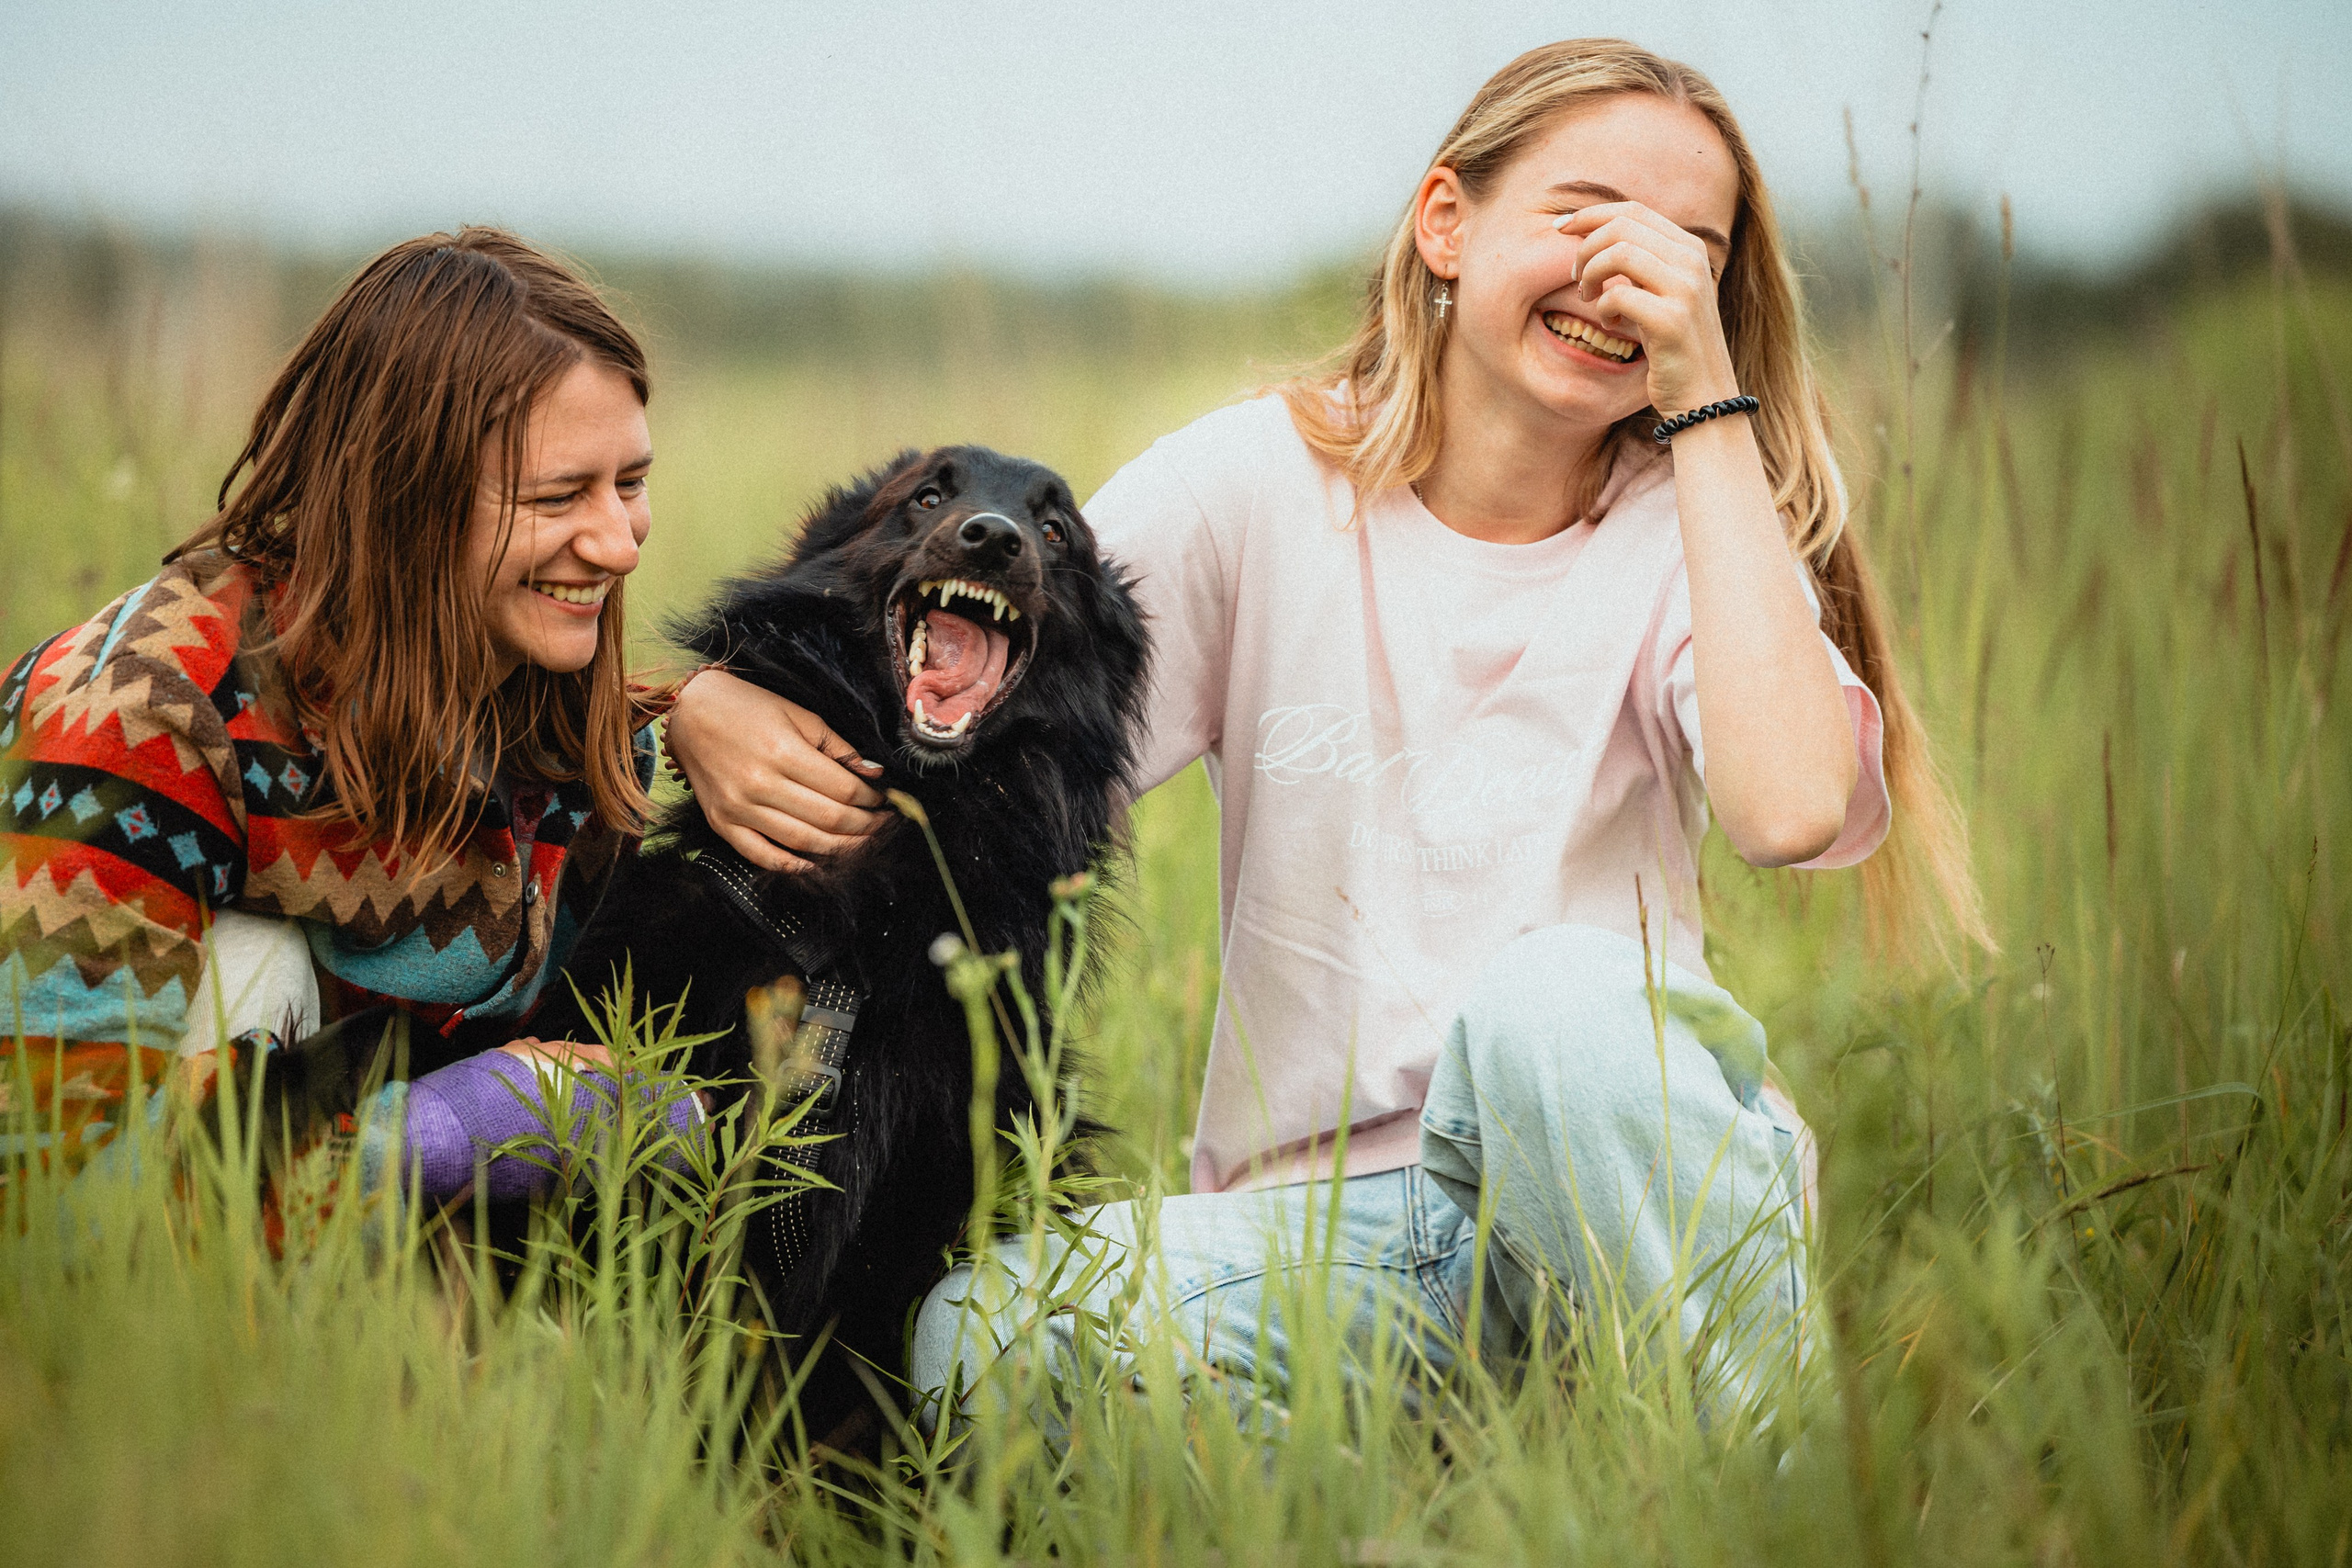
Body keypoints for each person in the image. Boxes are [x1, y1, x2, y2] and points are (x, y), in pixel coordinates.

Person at [666, 39, 1989, 1410]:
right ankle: (1443, 1486)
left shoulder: (1691, 528)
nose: (1625, 277)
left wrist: (1712, 408)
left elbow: (1788, 810)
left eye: (1685, 250)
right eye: (1586, 217)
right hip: (1320, 1240)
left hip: (1608, 1192)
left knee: (1553, 1003)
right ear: (1446, 224)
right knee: (979, 1344)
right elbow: (968, 689)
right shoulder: (1257, 480)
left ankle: (1761, 1503)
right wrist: (698, 703)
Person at [0, 229, 736, 1195]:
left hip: (354, 1217)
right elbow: (48, 1182)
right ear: (404, 499)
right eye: (560, 496)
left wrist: (716, 706)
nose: (619, 543)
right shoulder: (141, 719)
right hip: (129, 1261)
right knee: (254, 963)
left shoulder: (539, 676)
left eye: (629, 484)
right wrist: (446, 1133)